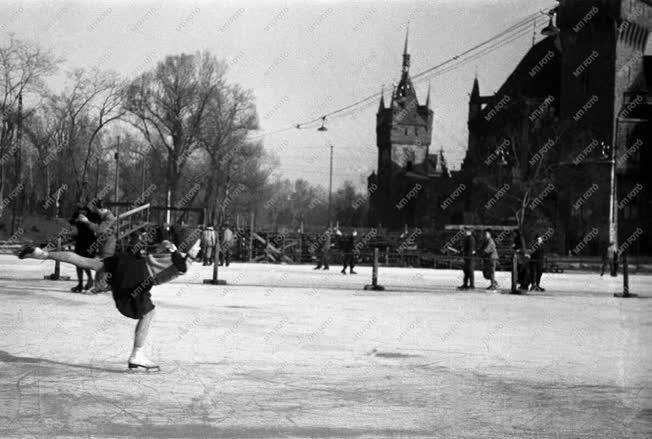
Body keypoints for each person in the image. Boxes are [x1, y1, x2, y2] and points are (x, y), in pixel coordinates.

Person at [17, 228, 202, 371]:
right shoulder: (184, 261)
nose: (200, 248)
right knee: (149, 312)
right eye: (198, 245)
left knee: (88, 262)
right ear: (189, 246)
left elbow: (168, 247)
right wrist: (181, 252)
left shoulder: (172, 249)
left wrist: (169, 246)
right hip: (138, 276)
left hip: (128, 263)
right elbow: (181, 263)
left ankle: (42, 254)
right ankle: (137, 356)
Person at [79, 199, 116, 293]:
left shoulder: (109, 217)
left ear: (102, 208)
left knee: (103, 266)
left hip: (108, 246)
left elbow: (99, 229)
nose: (95, 211)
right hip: (104, 245)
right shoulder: (104, 216)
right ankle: (101, 286)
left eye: (96, 209)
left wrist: (87, 222)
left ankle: (99, 287)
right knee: (102, 266)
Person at [69, 204, 97, 292]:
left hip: (90, 243)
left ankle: (90, 280)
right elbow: (71, 222)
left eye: (84, 211)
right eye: (80, 210)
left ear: (87, 211)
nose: (82, 212)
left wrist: (87, 221)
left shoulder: (92, 216)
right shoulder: (77, 215)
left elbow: (96, 227)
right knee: (77, 263)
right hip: (79, 242)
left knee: (85, 263)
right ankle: (80, 284)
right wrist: (77, 220)